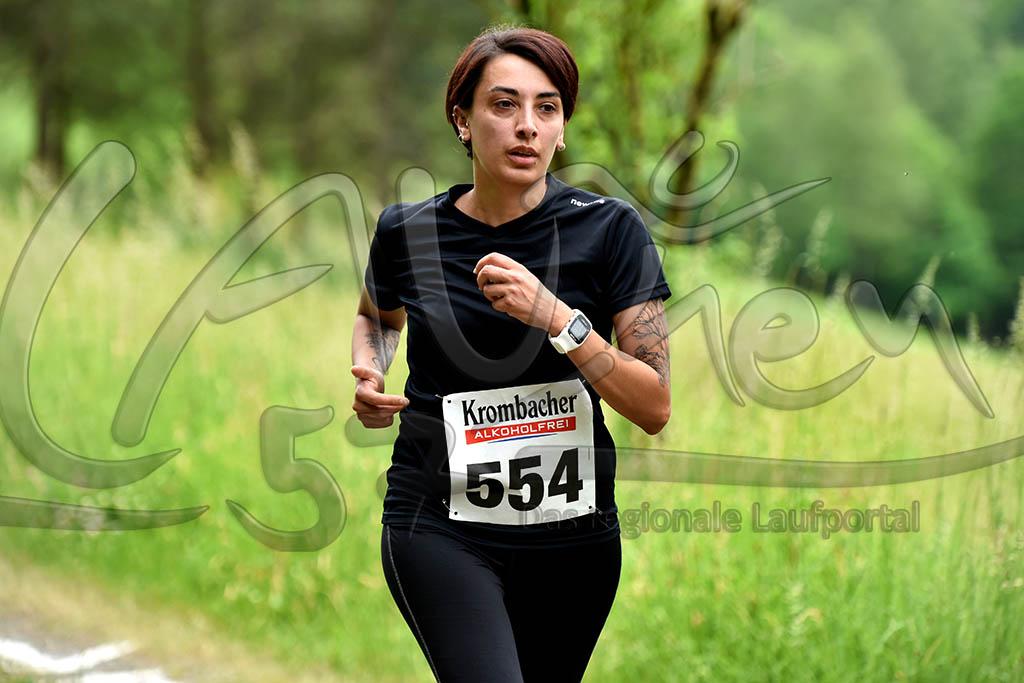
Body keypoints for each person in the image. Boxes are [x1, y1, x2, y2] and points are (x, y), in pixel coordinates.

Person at [351, 24, 672, 683]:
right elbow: (377, 316)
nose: (527, 125)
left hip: (574, 537)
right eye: (504, 104)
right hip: (438, 521)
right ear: (462, 120)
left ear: (562, 128)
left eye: (546, 108)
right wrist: (371, 368)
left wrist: (557, 318)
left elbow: (654, 405)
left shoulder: (612, 231)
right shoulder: (407, 231)